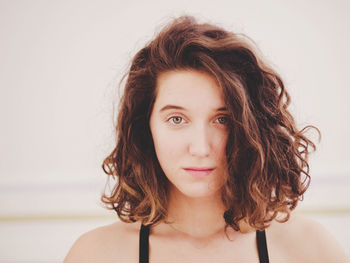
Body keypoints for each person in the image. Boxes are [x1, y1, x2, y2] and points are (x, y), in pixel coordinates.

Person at [63, 15, 349, 263]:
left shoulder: (309, 249)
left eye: (222, 120)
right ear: (144, 127)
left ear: (252, 128)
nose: (200, 148)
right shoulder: (97, 254)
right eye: (177, 119)